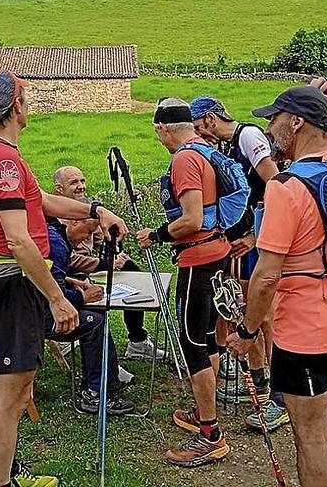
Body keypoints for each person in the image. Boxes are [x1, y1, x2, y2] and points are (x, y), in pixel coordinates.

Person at [0, 69, 127, 487]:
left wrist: (95, 211)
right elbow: (19, 240)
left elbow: (42, 202)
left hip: (0, 286)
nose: (27, 105)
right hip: (15, 287)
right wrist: (57, 297)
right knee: (13, 396)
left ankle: (7, 473)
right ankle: (0, 483)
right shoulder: (2, 162)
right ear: (15, 105)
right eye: (25, 98)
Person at [229, 85, 327, 487]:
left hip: (308, 332)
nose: (269, 128)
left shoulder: (286, 189)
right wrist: (320, 103)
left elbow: (266, 277)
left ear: (295, 122)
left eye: (274, 119)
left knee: (310, 438)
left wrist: (247, 330)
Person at [136, 98, 231, 467]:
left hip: (198, 259)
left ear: (163, 129)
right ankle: (204, 411)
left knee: (192, 344)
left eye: (157, 132)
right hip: (218, 252)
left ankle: (210, 434)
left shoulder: (185, 160)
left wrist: (157, 234)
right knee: (207, 337)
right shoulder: (207, 149)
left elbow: (192, 219)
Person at [188, 95, 289, 432]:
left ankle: (280, 395)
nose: (200, 134)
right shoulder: (230, 145)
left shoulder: (247, 136)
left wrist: (258, 237)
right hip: (245, 238)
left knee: (265, 316)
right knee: (247, 311)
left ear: (212, 118)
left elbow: (276, 184)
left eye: (201, 126)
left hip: (260, 239)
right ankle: (260, 383)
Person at [53, 166, 166, 362]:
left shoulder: (88, 209)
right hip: (67, 271)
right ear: (59, 189)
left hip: (87, 267)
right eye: (74, 183)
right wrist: (104, 263)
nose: (81, 187)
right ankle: (103, 358)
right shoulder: (55, 220)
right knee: (97, 301)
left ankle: (137, 340)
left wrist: (117, 254)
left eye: (82, 181)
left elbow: (101, 239)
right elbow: (66, 259)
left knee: (131, 269)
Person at [45, 217, 135, 415]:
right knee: (95, 322)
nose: (88, 238)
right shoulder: (57, 244)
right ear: (74, 222)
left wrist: (70, 282)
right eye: (88, 232)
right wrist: (82, 297)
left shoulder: (55, 235)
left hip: (34, 305)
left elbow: (47, 276)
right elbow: (52, 296)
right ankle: (95, 394)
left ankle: (107, 381)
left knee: (97, 313)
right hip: (38, 315)